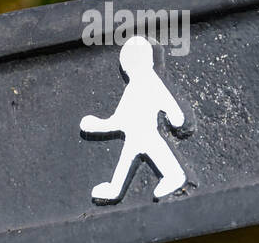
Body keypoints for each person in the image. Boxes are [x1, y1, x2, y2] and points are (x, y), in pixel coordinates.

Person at [80, 36, 188, 202]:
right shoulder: (134, 87)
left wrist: (176, 118)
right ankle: (115, 189)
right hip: (134, 135)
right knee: (129, 158)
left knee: (152, 151)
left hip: (145, 133)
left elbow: (168, 103)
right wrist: (96, 125)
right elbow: (119, 120)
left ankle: (174, 176)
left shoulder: (151, 82)